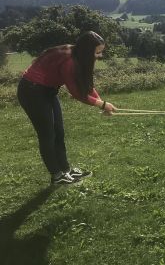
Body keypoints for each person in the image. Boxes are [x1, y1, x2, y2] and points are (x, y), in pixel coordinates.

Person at [17, 31, 116, 185]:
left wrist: (102, 103)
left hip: (48, 91)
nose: (99, 56)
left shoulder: (78, 56)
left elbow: (86, 86)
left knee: (59, 132)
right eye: (98, 52)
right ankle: (57, 176)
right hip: (32, 92)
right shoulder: (69, 61)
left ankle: (65, 170)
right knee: (48, 134)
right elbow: (77, 93)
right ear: (87, 50)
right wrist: (102, 105)